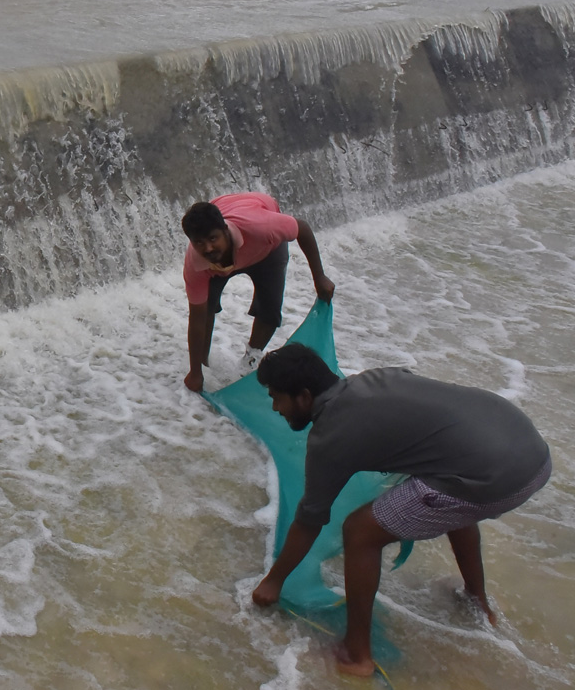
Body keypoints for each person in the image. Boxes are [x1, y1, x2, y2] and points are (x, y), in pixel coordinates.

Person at [251, 343, 552, 677]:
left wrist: (273, 582)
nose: (275, 407)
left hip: (498, 479)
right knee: (449, 485)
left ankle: (356, 653)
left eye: (277, 396)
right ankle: (476, 600)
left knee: (360, 530)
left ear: (304, 397)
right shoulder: (378, 378)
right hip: (531, 452)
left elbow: (310, 521)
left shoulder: (329, 437)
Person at [181, 193, 334, 392]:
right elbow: (197, 318)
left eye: (213, 239)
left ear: (225, 231)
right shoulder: (196, 263)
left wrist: (319, 277)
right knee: (206, 308)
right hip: (228, 216)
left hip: (265, 249)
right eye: (199, 243)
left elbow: (302, 228)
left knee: (270, 309)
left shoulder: (262, 227)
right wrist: (195, 373)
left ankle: (249, 361)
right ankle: (203, 364)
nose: (208, 248)